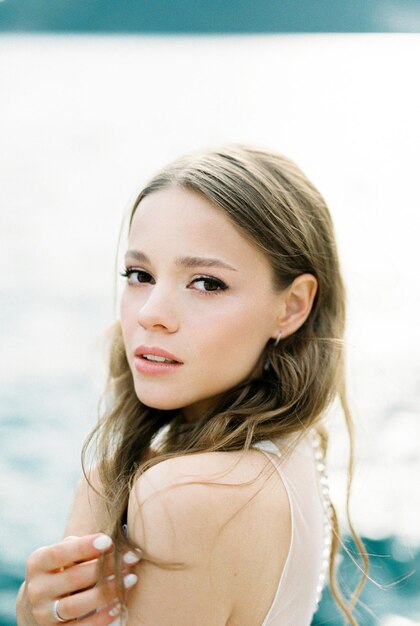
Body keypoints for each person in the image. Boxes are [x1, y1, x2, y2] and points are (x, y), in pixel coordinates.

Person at [16, 145, 368, 626]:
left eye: (206, 283)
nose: (150, 313)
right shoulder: (290, 451)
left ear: (290, 306)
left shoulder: (186, 496)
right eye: (140, 275)